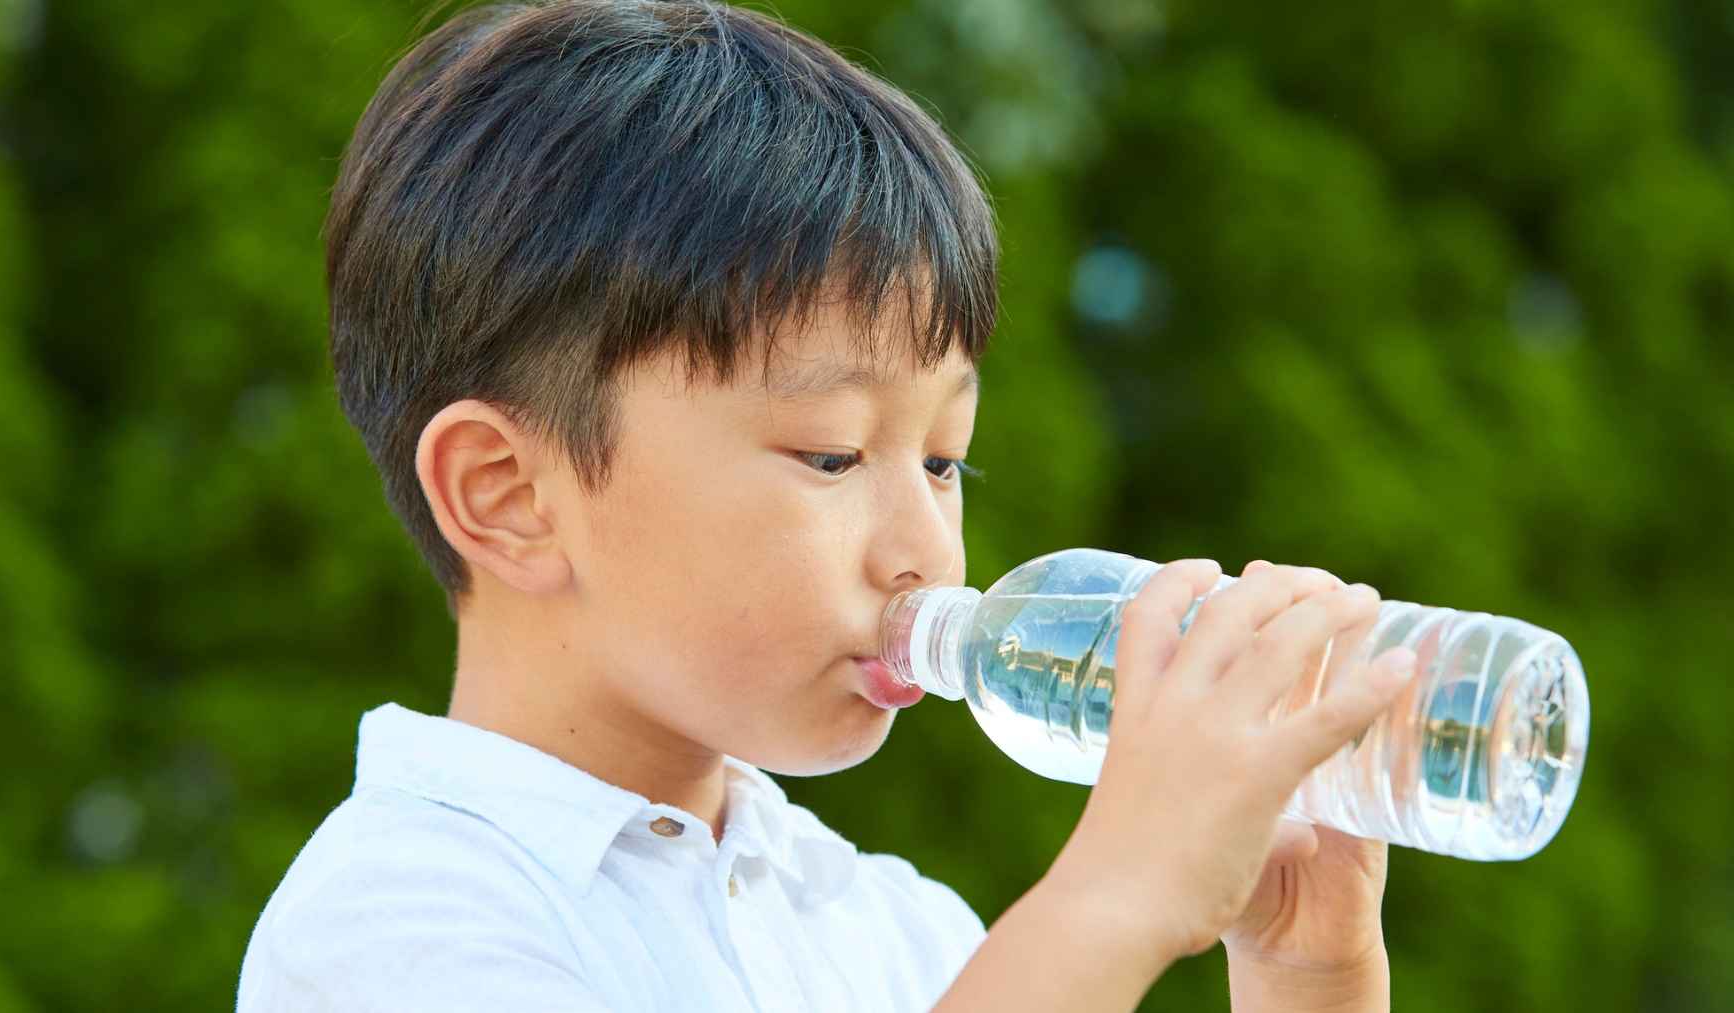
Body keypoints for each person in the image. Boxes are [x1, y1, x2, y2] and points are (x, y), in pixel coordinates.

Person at [234, 1, 1419, 1009]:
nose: (926, 551)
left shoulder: (896, 931)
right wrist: (1117, 896)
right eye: (834, 455)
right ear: (512, 496)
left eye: (946, 460)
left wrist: (1304, 970)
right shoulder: (397, 922)